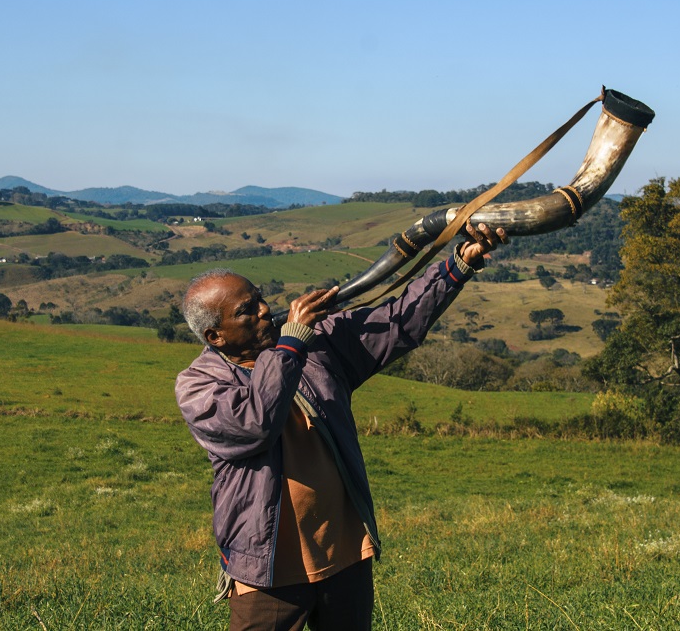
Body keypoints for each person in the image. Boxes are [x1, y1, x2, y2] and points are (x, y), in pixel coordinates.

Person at [175, 223, 507, 631]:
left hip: (344, 554)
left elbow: (396, 323)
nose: (263, 310)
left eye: (259, 298)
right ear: (215, 336)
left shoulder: (317, 345)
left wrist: (457, 267)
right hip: (267, 570)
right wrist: (292, 343)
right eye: (246, 310)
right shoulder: (198, 386)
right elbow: (258, 422)